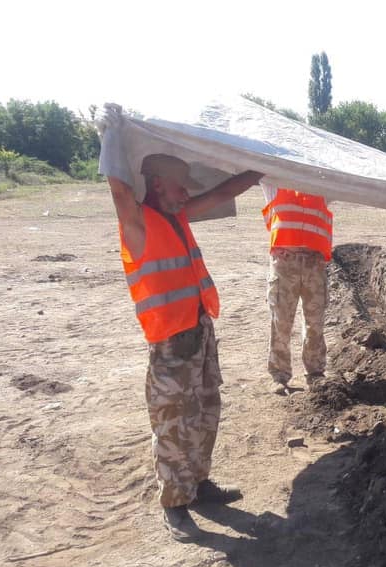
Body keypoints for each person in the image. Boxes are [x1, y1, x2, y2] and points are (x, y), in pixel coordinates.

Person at [99, 110, 264, 541]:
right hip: (170, 344)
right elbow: (118, 187)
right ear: (156, 184)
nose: (187, 192)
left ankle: (200, 485)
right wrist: (112, 134)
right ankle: (175, 504)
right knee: (173, 422)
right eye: (179, 184)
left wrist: (264, 165)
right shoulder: (137, 224)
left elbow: (225, 190)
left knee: (206, 410)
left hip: (199, 331)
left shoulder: (179, 215)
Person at [260, 184, 333, 394]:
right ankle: (279, 376)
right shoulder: (275, 186)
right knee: (281, 321)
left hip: (314, 265)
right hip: (285, 265)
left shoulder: (321, 186)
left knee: (315, 322)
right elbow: (259, 168)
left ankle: (315, 373)